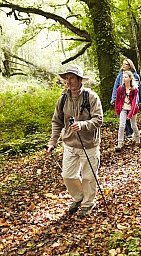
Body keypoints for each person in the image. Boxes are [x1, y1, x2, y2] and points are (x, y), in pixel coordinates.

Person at [46, 64, 103, 218]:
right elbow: (57, 122)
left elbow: (98, 119)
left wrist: (83, 125)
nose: (68, 81)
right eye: (66, 78)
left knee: (88, 177)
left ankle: (88, 203)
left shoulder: (91, 97)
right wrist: (52, 142)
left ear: (79, 80)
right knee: (68, 175)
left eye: (71, 78)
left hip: (89, 144)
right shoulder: (63, 99)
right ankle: (79, 198)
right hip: (70, 144)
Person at [110, 58, 141, 138]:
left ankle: (135, 133)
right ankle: (128, 133)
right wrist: (114, 98)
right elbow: (115, 87)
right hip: (123, 100)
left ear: (129, 66)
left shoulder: (135, 75)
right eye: (122, 64)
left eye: (125, 64)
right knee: (123, 117)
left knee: (131, 116)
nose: (123, 65)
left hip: (133, 100)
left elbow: (139, 88)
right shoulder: (120, 76)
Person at [114, 70, 140, 151]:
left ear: (130, 78)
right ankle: (120, 143)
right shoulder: (120, 88)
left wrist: (130, 114)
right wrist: (117, 111)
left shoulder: (134, 89)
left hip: (132, 110)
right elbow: (117, 100)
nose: (124, 79)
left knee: (133, 125)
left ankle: (137, 137)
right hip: (123, 109)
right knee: (121, 126)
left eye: (126, 77)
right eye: (123, 77)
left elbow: (134, 103)